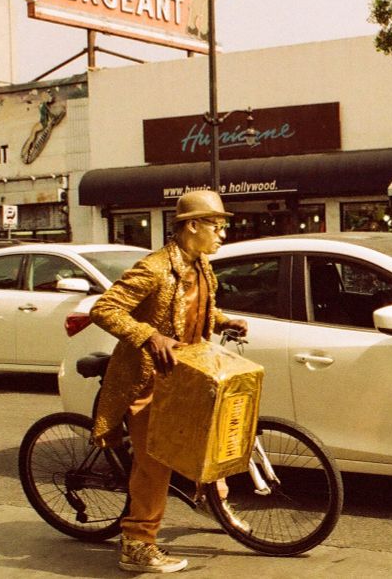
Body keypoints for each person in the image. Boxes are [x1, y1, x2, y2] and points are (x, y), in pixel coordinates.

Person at [90, 190, 248, 574]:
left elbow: (199, 306)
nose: (222, 235)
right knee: (155, 462)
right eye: (217, 226)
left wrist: (225, 321)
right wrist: (149, 336)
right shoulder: (155, 268)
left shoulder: (200, 266)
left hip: (186, 375)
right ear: (192, 226)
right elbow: (104, 308)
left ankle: (215, 502)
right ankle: (137, 545)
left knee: (212, 437)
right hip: (147, 381)